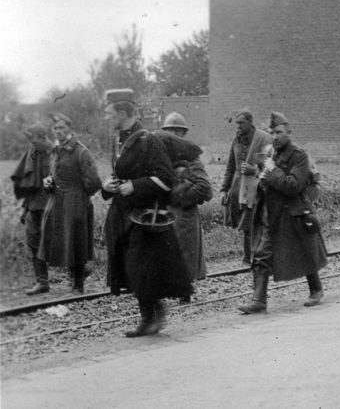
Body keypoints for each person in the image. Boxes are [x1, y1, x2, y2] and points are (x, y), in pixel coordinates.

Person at [102, 98, 192, 337]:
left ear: (123, 112)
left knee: (139, 269)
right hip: (123, 215)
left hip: (143, 219)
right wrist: (108, 186)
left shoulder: (148, 141)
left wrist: (135, 186)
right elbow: (121, 174)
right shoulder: (119, 140)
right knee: (131, 269)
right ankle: (150, 316)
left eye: (109, 112)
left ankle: (151, 317)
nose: (106, 116)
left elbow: (166, 179)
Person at [237, 112, 328, 314]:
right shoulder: (272, 154)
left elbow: (294, 186)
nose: (275, 136)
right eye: (272, 132)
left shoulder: (299, 156)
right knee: (261, 256)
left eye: (279, 132)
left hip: (295, 214)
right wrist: (263, 179)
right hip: (274, 216)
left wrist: (271, 171)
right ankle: (259, 301)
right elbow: (266, 183)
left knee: (306, 252)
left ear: (289, 132)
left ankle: (316, 290)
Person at [37, 113, 102, 295]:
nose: (58, 131)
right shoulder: (56, 151)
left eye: (62, 128)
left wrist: (79, 196)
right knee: (53, 238)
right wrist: (49, 182)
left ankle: (78, 284)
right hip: (56, 201)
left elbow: (94, 182)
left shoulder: (81, 152)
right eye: (55, 128)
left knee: (76, 240)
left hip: (75, 203)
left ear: (70, 129)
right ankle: (60, 280)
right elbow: (57, 174)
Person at [158, 112, 213, 301]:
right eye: (169, 131)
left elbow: (205, 188)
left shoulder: (191, 158)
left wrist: (178, 196)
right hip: (165, 214)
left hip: (184, 216)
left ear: (183, 134)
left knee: (183, 257)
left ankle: (184, 294)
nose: (173, 135)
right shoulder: (160, 155)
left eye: (177, 131)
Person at [220, 109, 273, 267]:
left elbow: (271, 166)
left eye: (241, 123)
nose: (238, 127)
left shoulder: (262, 139)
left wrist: (254, 170)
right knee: (244, 222)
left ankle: (254, 256)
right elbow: (230, 166)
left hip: (259, 187)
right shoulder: (236, 141)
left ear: (250, 123)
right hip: (239, 187)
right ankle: (248, 255)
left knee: (255, 220)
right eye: (237, 123)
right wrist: (224, 189)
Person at [10, 123, 52, 295]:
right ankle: (42, 282)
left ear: (43, 137)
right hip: (34, 206)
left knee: (62, 243)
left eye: (33, 140)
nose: (31, 144)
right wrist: (24, 209)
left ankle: (78, 277)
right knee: (34, 243)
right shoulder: (31, 153)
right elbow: (26, 182)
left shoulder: (56, 153)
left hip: (54, 205)